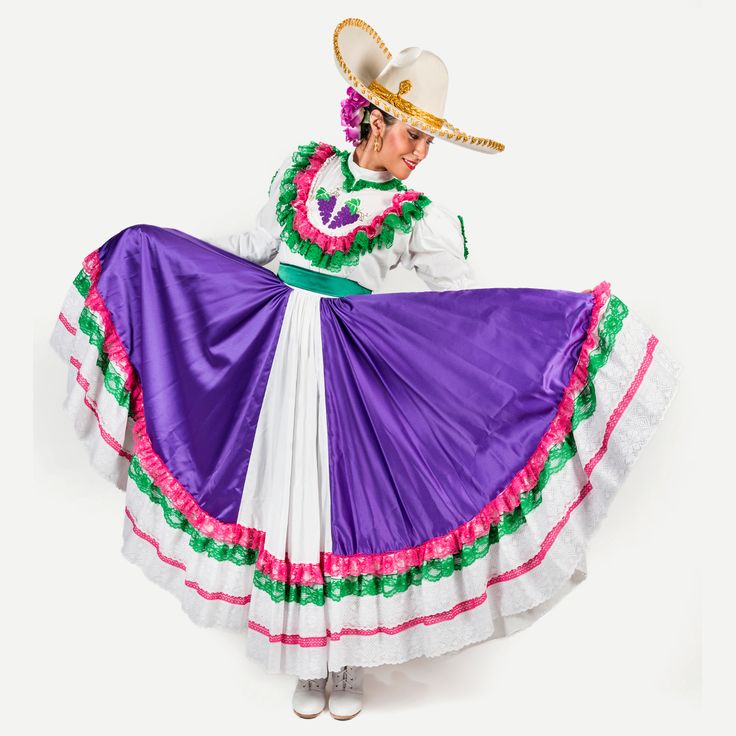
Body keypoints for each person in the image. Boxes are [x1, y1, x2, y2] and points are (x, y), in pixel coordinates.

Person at [49, 17, 681, 722]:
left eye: (431, 142)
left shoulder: (415, 215)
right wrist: (171, 259)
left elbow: (462, 301)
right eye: (414, 135)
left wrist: (503, 342)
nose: (421, 154)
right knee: (282, 499)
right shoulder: (305, 173)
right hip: (272, 360)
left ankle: (343, 657)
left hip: (349, 375)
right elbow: (257, 243)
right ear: (375, 119)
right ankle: (301, 655)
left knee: (340, 508)